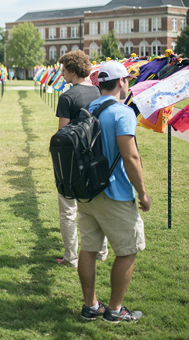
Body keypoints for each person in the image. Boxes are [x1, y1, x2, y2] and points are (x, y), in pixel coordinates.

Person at [77, 61, 151, 323]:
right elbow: (130, 156)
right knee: (127, 250)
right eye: (127, 79)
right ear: (122, 82)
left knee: (88, 248)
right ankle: (115, 310)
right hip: (114, 193)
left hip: (86, 192)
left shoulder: (89, 108)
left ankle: (90, 306)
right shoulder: (122, 112)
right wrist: (142, 192)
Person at [54, 50, 108, 269]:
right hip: (96, 158)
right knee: (96, 208)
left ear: (73, 71)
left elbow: (62, 135)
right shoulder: (98, 92)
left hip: (73, 161)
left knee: (68, 210)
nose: (62, 73)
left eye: (64, 69)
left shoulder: (67, 97)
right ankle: (101, 252)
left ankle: (71, 257)